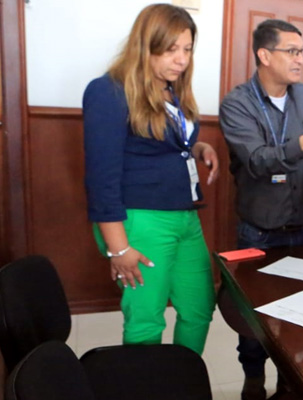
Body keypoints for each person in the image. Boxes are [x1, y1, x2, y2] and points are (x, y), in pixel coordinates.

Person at [83, 4, 218, 356]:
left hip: (186, 218)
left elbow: (159, 143)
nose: (182, 59)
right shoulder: (108, 91)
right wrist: (119, 249)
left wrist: (199, 145)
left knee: (200, 308)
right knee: (147, 320)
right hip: (143, 220)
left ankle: (181, 384)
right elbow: (101, 178)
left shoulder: (172, 90)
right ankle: (145, 388)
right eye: (171, 49)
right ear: (147, 45)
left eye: (187, 49)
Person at [219, 19, 303, 400]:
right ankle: (252, 380)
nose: (301, 59)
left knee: (298, 317)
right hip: (258, 230)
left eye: (302, 51)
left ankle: (288, 385)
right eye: (292, 51)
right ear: (264, 55)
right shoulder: (238, 104)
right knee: (253, 320)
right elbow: (256, 160)